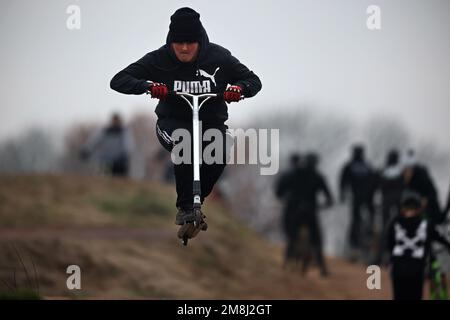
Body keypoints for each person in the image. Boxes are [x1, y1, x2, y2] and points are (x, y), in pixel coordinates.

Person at [110, 8, 262, 230]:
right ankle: (185, 208)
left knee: (219, 151)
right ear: (170, 41)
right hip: (172, 123)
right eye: (178, 42)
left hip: (211, 124)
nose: (183, 48)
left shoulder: (219, 58)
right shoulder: (158, 59)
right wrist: (148, 86)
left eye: (190, 42)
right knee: (185, 142)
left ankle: (195, 203)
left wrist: (240, 89)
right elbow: (119, 80)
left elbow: (253, 80)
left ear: (200, 41)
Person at [276, 152, 334, 276]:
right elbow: (329, 198)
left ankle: (287, 260)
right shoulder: (317, 176)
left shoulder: (292, 174)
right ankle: (322, 268)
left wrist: (285, 198)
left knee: (292, 236)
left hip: (293, 210)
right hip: (310, 212)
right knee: (317, 240)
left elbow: (279, 191)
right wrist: (324, 205)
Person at [386, 190, 450, 300]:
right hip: (417, 270)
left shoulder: (395, 222)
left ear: (402, 208)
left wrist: (392, 259)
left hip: (398, 270)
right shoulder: (425, 224)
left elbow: (389, 243)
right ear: (419, 208)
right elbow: (442, 239)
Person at [339, 145, 377, 260]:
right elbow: (375, 180)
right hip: (369, 198)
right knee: (370, 219)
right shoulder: (368, 166)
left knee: (355, 221)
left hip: (357, 198)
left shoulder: (349, 166)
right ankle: (370, 239)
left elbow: (343, 181)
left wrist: (342, 195)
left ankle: (354, 245)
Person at [80, 113, 134, 177]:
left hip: (120, 162)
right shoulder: (105, 132)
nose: (115, 122)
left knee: (120, 181)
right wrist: (87, 150)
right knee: (103, 180)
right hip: (105, 161)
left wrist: (126, 154)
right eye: (114, 120)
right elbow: (95, 141)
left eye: (117, 120)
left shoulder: (124, 132)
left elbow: (128, 145)